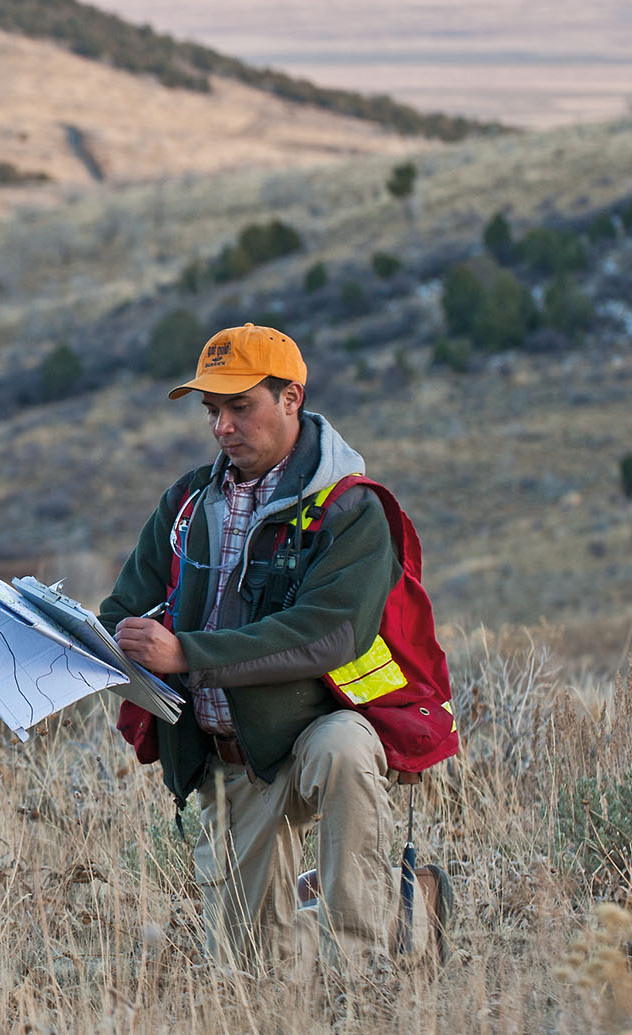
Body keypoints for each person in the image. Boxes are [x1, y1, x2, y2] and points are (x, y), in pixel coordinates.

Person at [100, 323, 451, 975]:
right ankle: (407, 906)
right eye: (213, 411)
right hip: (232, 762)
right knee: (253, 978)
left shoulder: (349, 510)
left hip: (317, 730)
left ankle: (364, 974)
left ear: (291, 399)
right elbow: (123, 609)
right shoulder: (185, 502)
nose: (223, 428)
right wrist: (104, 650)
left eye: (240, 407)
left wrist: (188, 654)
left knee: (343, 752)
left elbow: (330, 633)